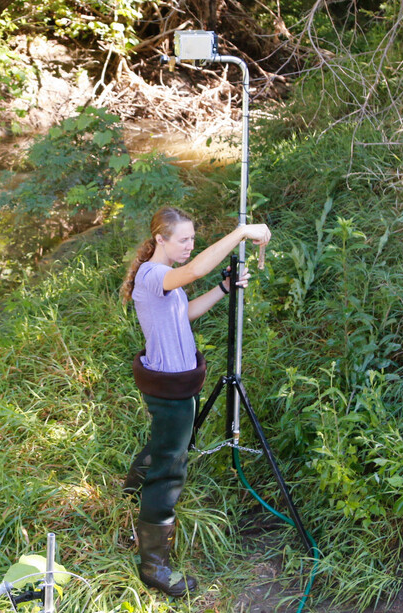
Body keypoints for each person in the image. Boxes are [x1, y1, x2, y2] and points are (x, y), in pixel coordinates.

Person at [119, 206, 271, 597]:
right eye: (183, 239)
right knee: (171, 469)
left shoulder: (165, 280)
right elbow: (197, 269)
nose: (190, 245)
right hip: (170, 389)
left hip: (177, 384)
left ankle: (130, 491)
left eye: (192, 239)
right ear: (161, 240)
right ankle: (153, 564)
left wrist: (223, 290)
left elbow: (183, 314)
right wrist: (240, 233)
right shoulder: (154, 275)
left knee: (167, 444)